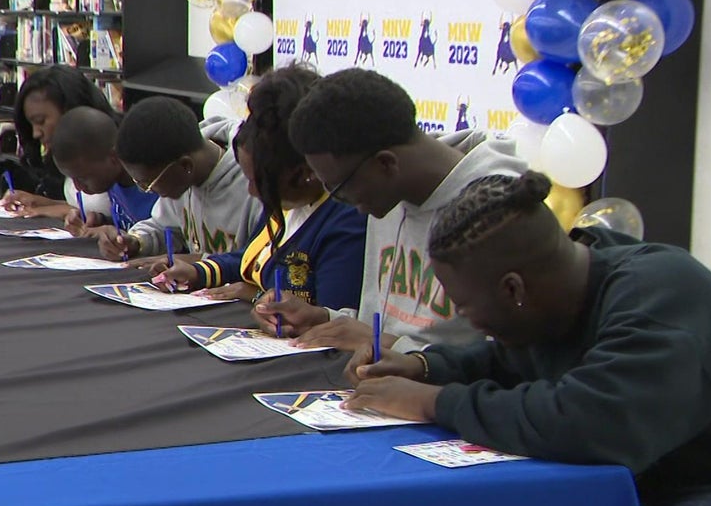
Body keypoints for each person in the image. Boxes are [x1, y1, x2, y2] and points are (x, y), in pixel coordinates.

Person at [344, 172, 711, 506]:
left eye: (464, 306)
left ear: (513, 290)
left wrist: (435, 402)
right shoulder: (561, 293)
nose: (465, 318)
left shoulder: (662, 296)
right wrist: (424, 367)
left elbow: (588, 423)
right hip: (649, 489)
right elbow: (507, 361)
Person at [254, 68, 526, 352]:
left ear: (385, 164)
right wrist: (325, 320)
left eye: (340, 189)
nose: (347, 205)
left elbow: (511, 365)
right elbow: (384, 327)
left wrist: (392, 348)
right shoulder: (388, 192)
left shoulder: (498, 211)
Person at [150, 66, 366, 308]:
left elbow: (328, 315)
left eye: (259, 181)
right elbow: (254, 257)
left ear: (305, 173)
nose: (252, 191)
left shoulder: (345, 224)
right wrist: (199, 272)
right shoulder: (289, 200)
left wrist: (255, 295)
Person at [100, 96, 264, 263]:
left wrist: (195, 264)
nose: (147, 191)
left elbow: (261, 261)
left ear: (185, 166)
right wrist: (136, 241)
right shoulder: (181, 176)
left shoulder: (252, 185)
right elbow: (164, 226)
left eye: (149, 184)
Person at [1, 65, 114, 220]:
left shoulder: (111, 155)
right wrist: (41, 203)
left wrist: (56, 210)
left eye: (40, 121)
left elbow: (123, 219)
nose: (35, 133)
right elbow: (82, 206)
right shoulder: (66, 157)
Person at [48, 107, 158, 242]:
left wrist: (121, 236)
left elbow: (171, 238)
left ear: (113, 158)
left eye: (82, 178)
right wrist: (100, 220)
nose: (78, 187)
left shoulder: (155, 189)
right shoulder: (113, 181)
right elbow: (130, 222)